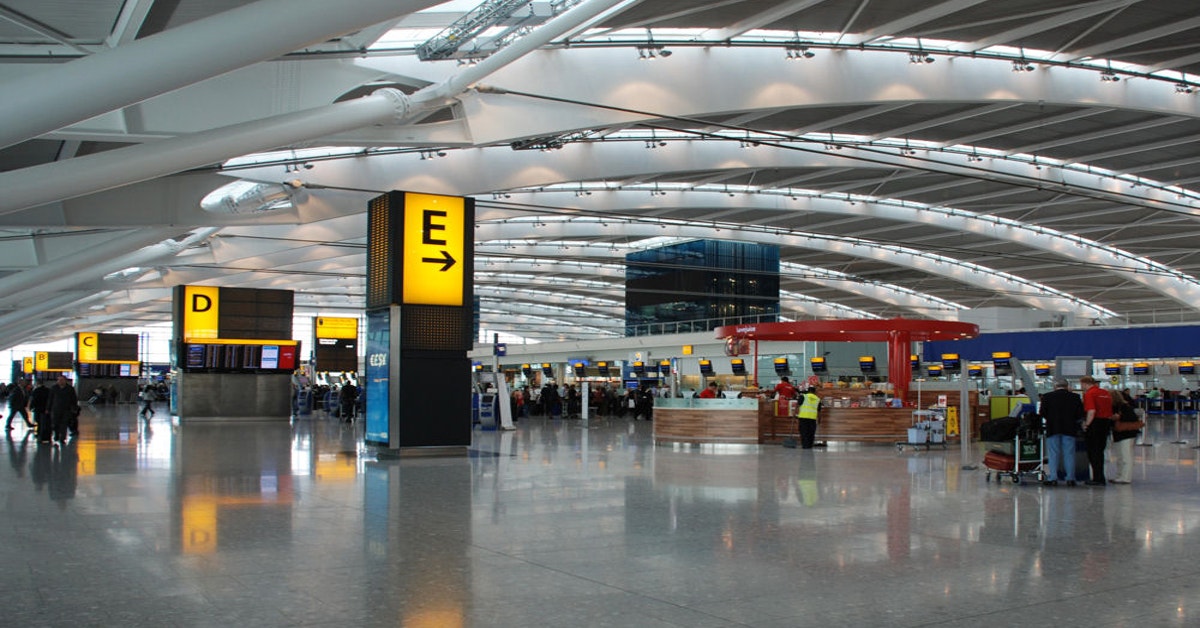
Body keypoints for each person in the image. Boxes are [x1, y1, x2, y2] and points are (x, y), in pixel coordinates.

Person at [1039, 378, 1084, 486]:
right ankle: (1070, 478)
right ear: (1067, 386)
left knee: (1053, 453)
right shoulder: (1075, 397)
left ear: (1055, 386)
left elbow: (1042, 412)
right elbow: (1079, 414)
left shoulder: (1047, 397)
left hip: (1053, 428)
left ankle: (1053, 478)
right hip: (1069, 429)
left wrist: (1051, 418)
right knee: (1069, 454)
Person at [1080, 375, 1113, 486]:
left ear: (1085, 383)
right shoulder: (1105, 393)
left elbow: (1091, 411)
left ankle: (1097, 478)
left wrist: (1087, 425)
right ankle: (1100, 476)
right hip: (1105, 424)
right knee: (1100, 451)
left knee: (1093, 452)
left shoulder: (1089, 394)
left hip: (1095, 424)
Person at [1110, 394, 1143, 484]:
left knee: (1126, 456)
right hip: (1121, 435)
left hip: (1126, 434)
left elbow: (1130, 419)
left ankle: (1126, 477)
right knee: (1121, 456)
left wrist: (1117, 418)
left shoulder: (1124, 408)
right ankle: (1120, 475)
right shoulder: (1118, 407)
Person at [47, 375, 80, 443]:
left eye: (62, 380)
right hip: (55, 409)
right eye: (59, 380)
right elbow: (50, 399)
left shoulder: (70, 389)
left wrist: (74, 408)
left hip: (66, 409)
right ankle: (56, 435)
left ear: (65, 380)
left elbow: (74, 399)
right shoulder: (54, 388)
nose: (60, 381)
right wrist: (48, 408)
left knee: (64, 424)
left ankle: (62, 438)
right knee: (55, 423)